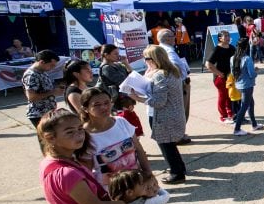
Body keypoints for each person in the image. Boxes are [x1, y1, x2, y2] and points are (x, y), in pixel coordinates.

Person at [129, 46, 188, 185]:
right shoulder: (170, 70)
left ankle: (177, 173)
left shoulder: (161, 75)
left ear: (155, 59)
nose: (145, 62)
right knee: (169, 145)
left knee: (166, 145)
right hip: (172, 114)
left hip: (164, 116)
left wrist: (137, 98)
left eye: (147, 59)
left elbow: (159, 102)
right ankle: (179, 168)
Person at [81, 88, 152, 188]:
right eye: (97, 105)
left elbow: (139, 150)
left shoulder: (121, 122)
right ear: (85, 108)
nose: (104, 107)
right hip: (111, 192)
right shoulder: (84, 136)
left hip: (138, 184)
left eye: (107, 103)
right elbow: (87, 171)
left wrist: (149, 174)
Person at [158, 29, 191, 144]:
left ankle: (179, 134)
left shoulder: (164, 49)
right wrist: (180, 76)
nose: (175, 38)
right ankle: (178, 136)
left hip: (178, 82)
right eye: (172, 36)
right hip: (179, 83)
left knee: (179, 110)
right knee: (181, 111)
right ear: (166, 38)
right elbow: (173, 65)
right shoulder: (168, 51)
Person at [22, 49, 63, 128]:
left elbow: (45, 89)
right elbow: (32, 97)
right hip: (39, 114)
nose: (53, 68)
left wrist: (57, 90)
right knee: (47, 139)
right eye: (51, 65)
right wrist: (53, 92)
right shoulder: (31, 75)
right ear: (42, 62)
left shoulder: (42, 71)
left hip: (48, 112)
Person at [231, 38, 262, 136]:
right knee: (244, 106)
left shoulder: (233, 58)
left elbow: (233, 73)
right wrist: (256, 70)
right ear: (246, 47)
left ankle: (254, 124)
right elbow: (252, 74)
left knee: (250, 103)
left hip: (239, 84)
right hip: (247, 85)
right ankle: (237, 129)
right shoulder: (247, 58)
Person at [205, 30, 236, 124]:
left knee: (230, 95)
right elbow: (208, 64)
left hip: (230, 76)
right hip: (220, 78)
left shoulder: (231, 47)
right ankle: (223, 116)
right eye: (225, 36)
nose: (228, 37)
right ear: (220, 38)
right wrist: (218, 73)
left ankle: (231, 113)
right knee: (223, 96)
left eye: (228, 35)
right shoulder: (217, 49)